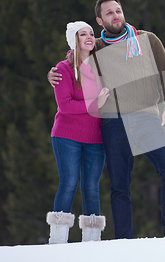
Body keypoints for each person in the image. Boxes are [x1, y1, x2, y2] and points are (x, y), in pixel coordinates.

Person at [48, 0, 165, 239]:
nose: (116, 15)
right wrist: (53, 73)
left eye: (118, 10)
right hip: (114, 122)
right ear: (100, 20)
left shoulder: (147, 39)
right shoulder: (96, 47)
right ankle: (123, 240)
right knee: (120, 185)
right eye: (109, 13)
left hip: (147, 117)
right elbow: (73, 58)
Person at [46, 21, 110, 244]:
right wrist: (95, 103)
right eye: (83, 34)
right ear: (75, 40)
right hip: (66, 136)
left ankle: (92, 242)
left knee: (91, 187)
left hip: (96, 138)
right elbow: (65, 106)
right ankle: (58, 240)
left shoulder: (100, 67)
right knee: (69, 183)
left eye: (91, 33)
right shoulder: (63, 69)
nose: (89, 37)